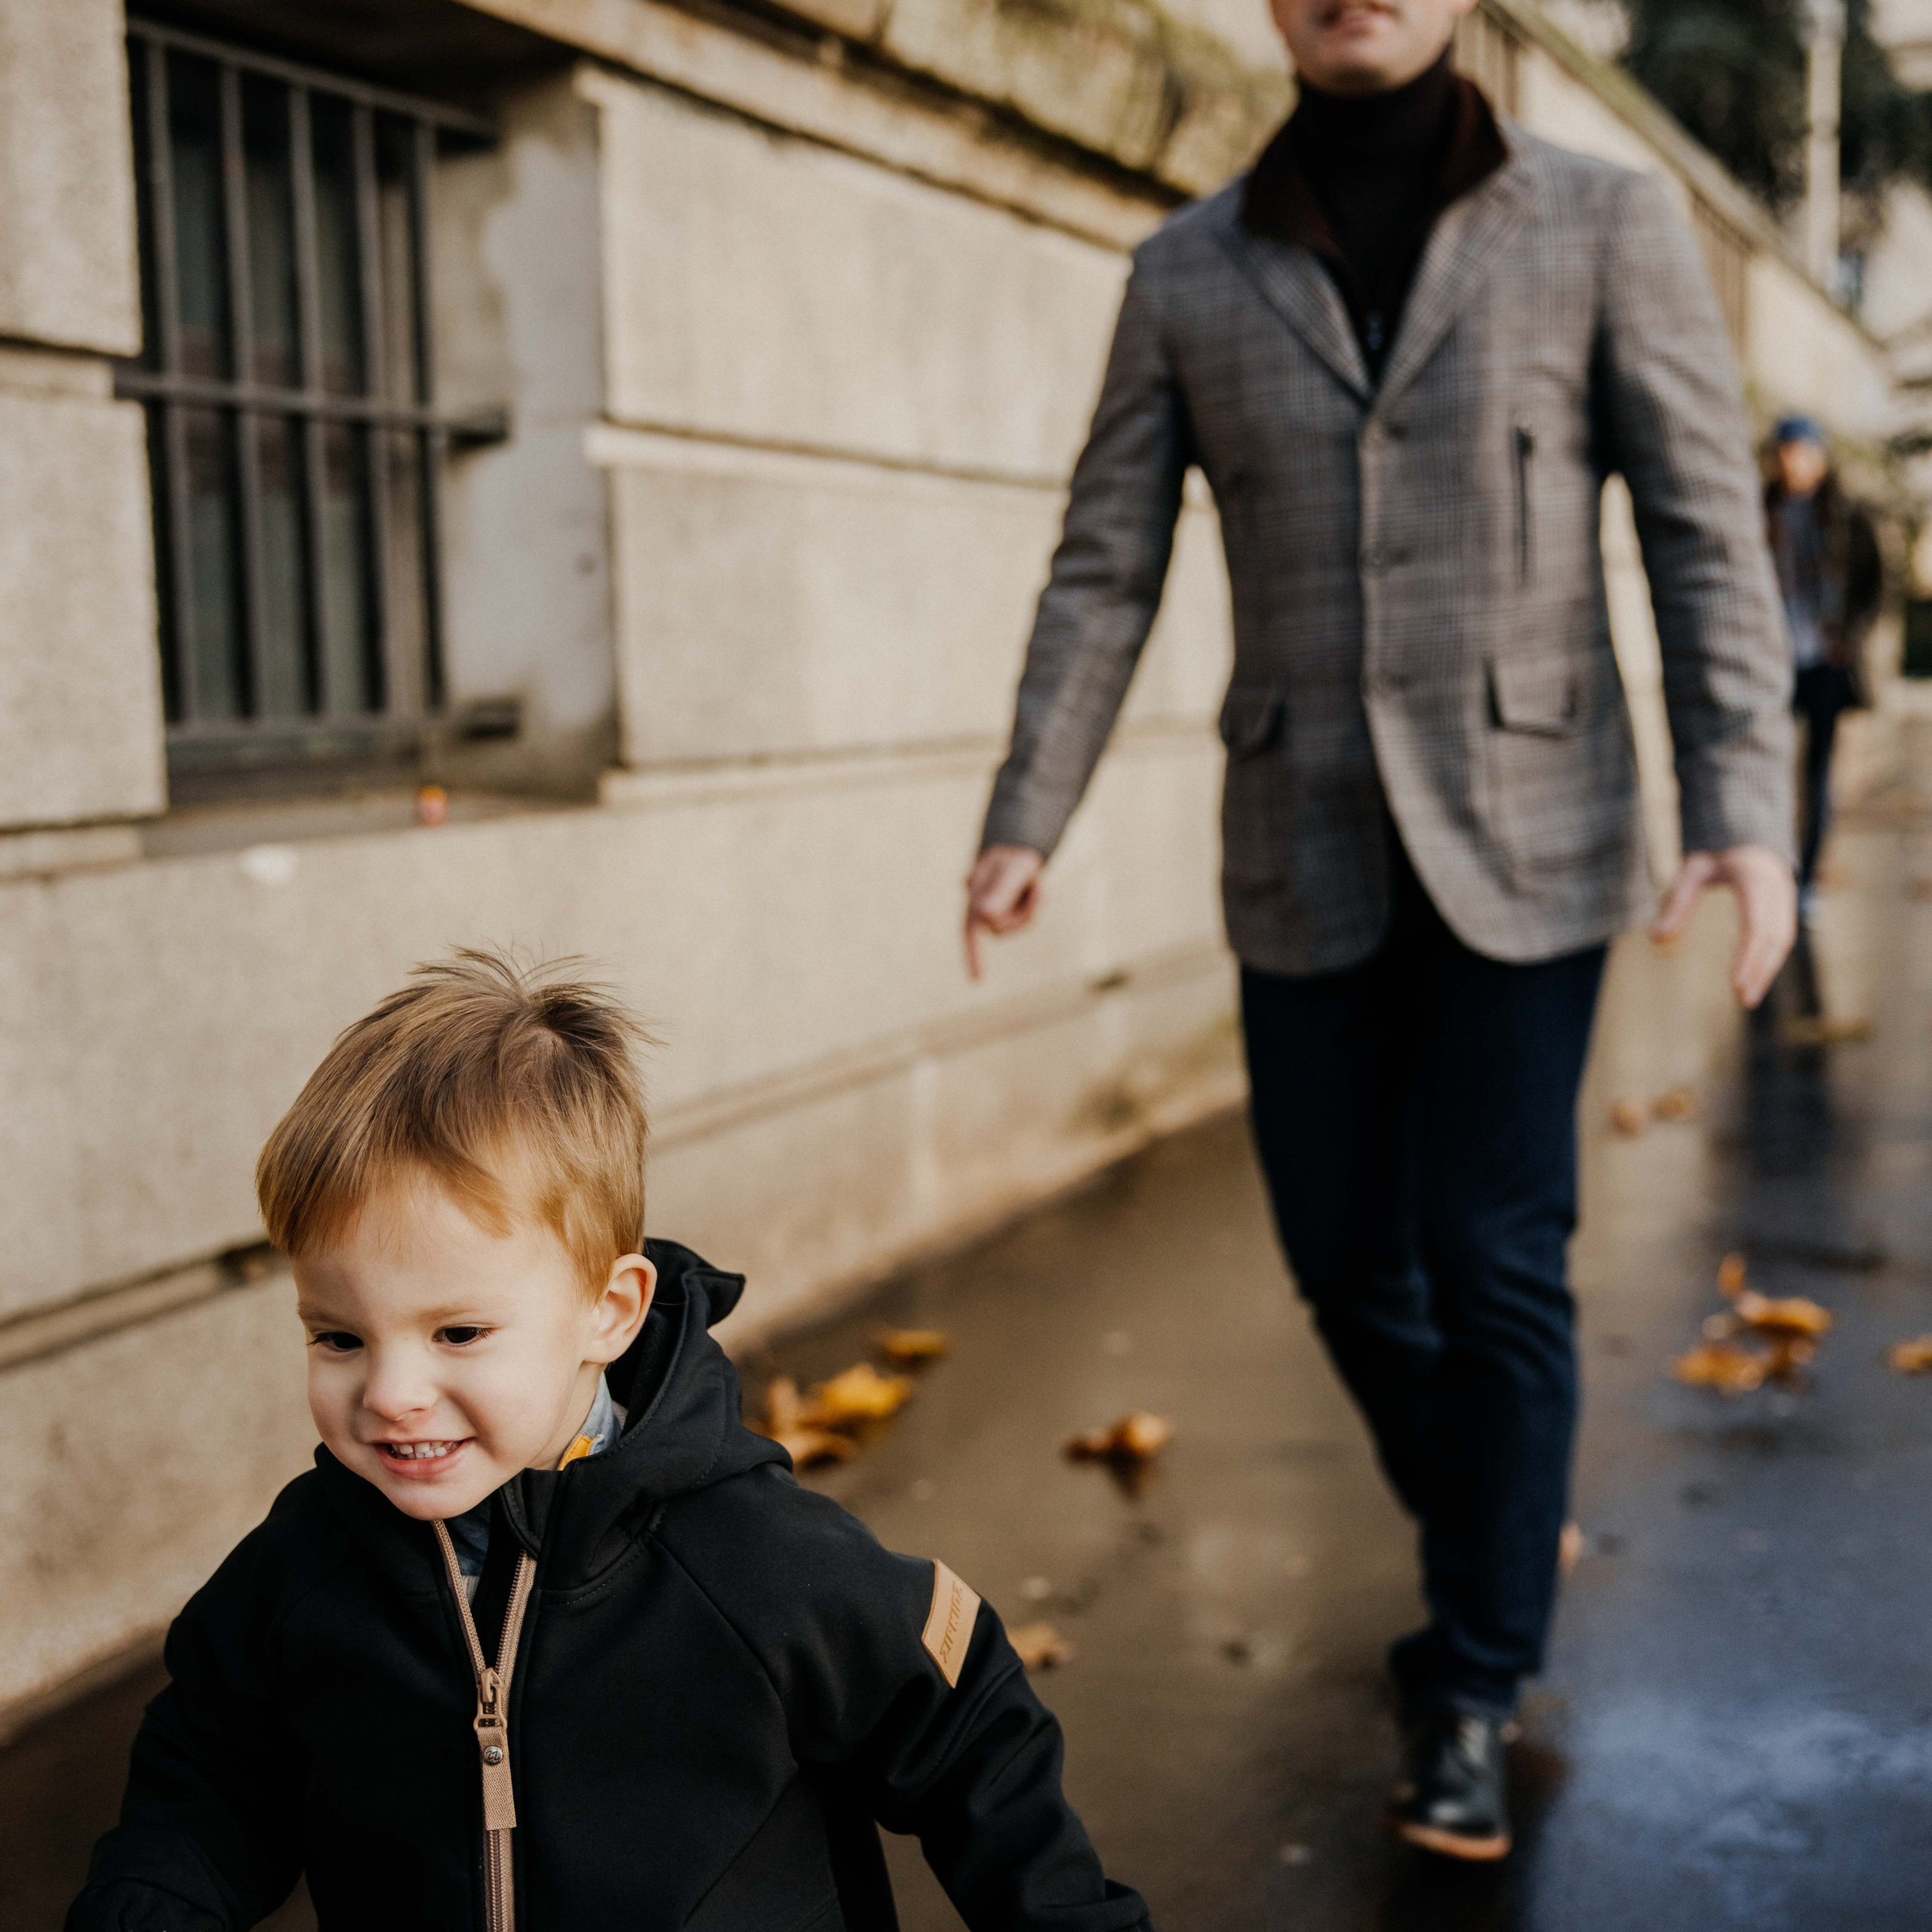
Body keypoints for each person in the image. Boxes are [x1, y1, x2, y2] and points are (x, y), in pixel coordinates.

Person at [964, 0, 1795, 1863]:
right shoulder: (1184, 270)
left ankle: (1472, 1678)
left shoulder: (1605, 220)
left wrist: (1741, 813)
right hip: (1299, 834)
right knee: (1342, 1258)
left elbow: (1698, 529)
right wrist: (1027, 809)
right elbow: (1104, 560)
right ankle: (1497, 1507)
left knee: (1492, 1253)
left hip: (1535, 824)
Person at [69, 951, 1151, 1932]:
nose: (392, 1394)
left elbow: (964, 1720)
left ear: (609, 1310)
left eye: (459, 1333)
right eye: (338, 1337)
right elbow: (211, 1774)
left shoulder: (752, 1564)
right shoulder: (306, 1570)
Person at [1764, 414, 1883, 918]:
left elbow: (1874, 584)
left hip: (1825, 662)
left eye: (1802, 451)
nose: (1793, 462)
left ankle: (1807, 877)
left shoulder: (1846, 513)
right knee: (1769, 768)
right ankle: (1773, 871)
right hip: (1772, 661)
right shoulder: (1762, 509)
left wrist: (1849, 638)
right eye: (1785, 451)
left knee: (1816, 773)